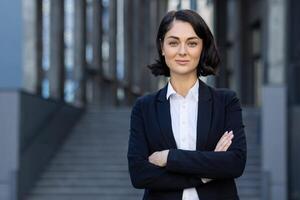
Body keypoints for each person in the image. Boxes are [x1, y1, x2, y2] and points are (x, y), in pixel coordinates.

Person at [127, 9, 246, 200]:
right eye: (174, 42)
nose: (182, 51)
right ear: (162, 47)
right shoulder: (144, 107)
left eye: (192, 43)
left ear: (202, 47)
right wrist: (206, 174)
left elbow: (235, 163)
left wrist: (168, 157)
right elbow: (139, 174)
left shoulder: (226, 102)